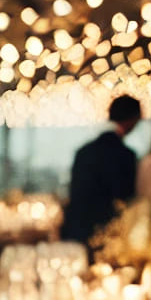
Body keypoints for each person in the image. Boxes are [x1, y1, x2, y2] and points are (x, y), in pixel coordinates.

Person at [59, 95, 141, 245]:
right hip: (107, 237)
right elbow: (126, 201)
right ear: (133, 119)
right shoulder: (126, 155)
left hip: (76, 232)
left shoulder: (83, 151)